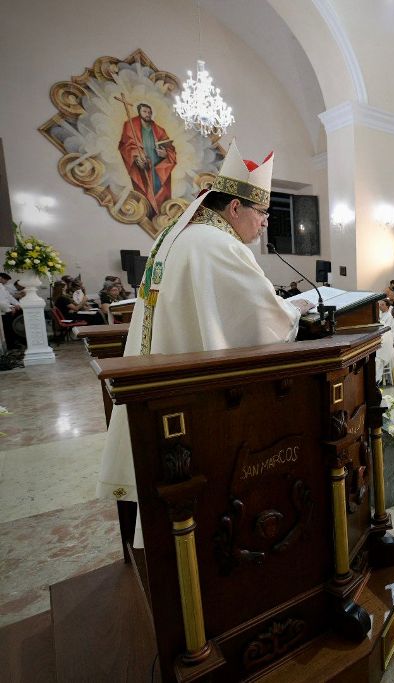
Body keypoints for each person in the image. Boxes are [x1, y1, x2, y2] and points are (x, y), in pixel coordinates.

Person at [98, 141, 313, 514]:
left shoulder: (178, 235)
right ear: (235, 207)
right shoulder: (218, 245)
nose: (265, 221)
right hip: (193, 401)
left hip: (161, 387)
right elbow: (262, 320)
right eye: (262, 212)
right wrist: (293, 310)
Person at [118, 101, 176, 216]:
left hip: (158, 166)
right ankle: (146, 210)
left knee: (159, 190)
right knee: (145, 189)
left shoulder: (159, 130)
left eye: (149, 112)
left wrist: (166, 154)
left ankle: (160, 213)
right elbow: (126, 144)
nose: (148, 114)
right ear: (139, 112)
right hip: (143, 165)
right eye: (145, 111)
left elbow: (171, 149)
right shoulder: (130, 125)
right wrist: (136, 156)